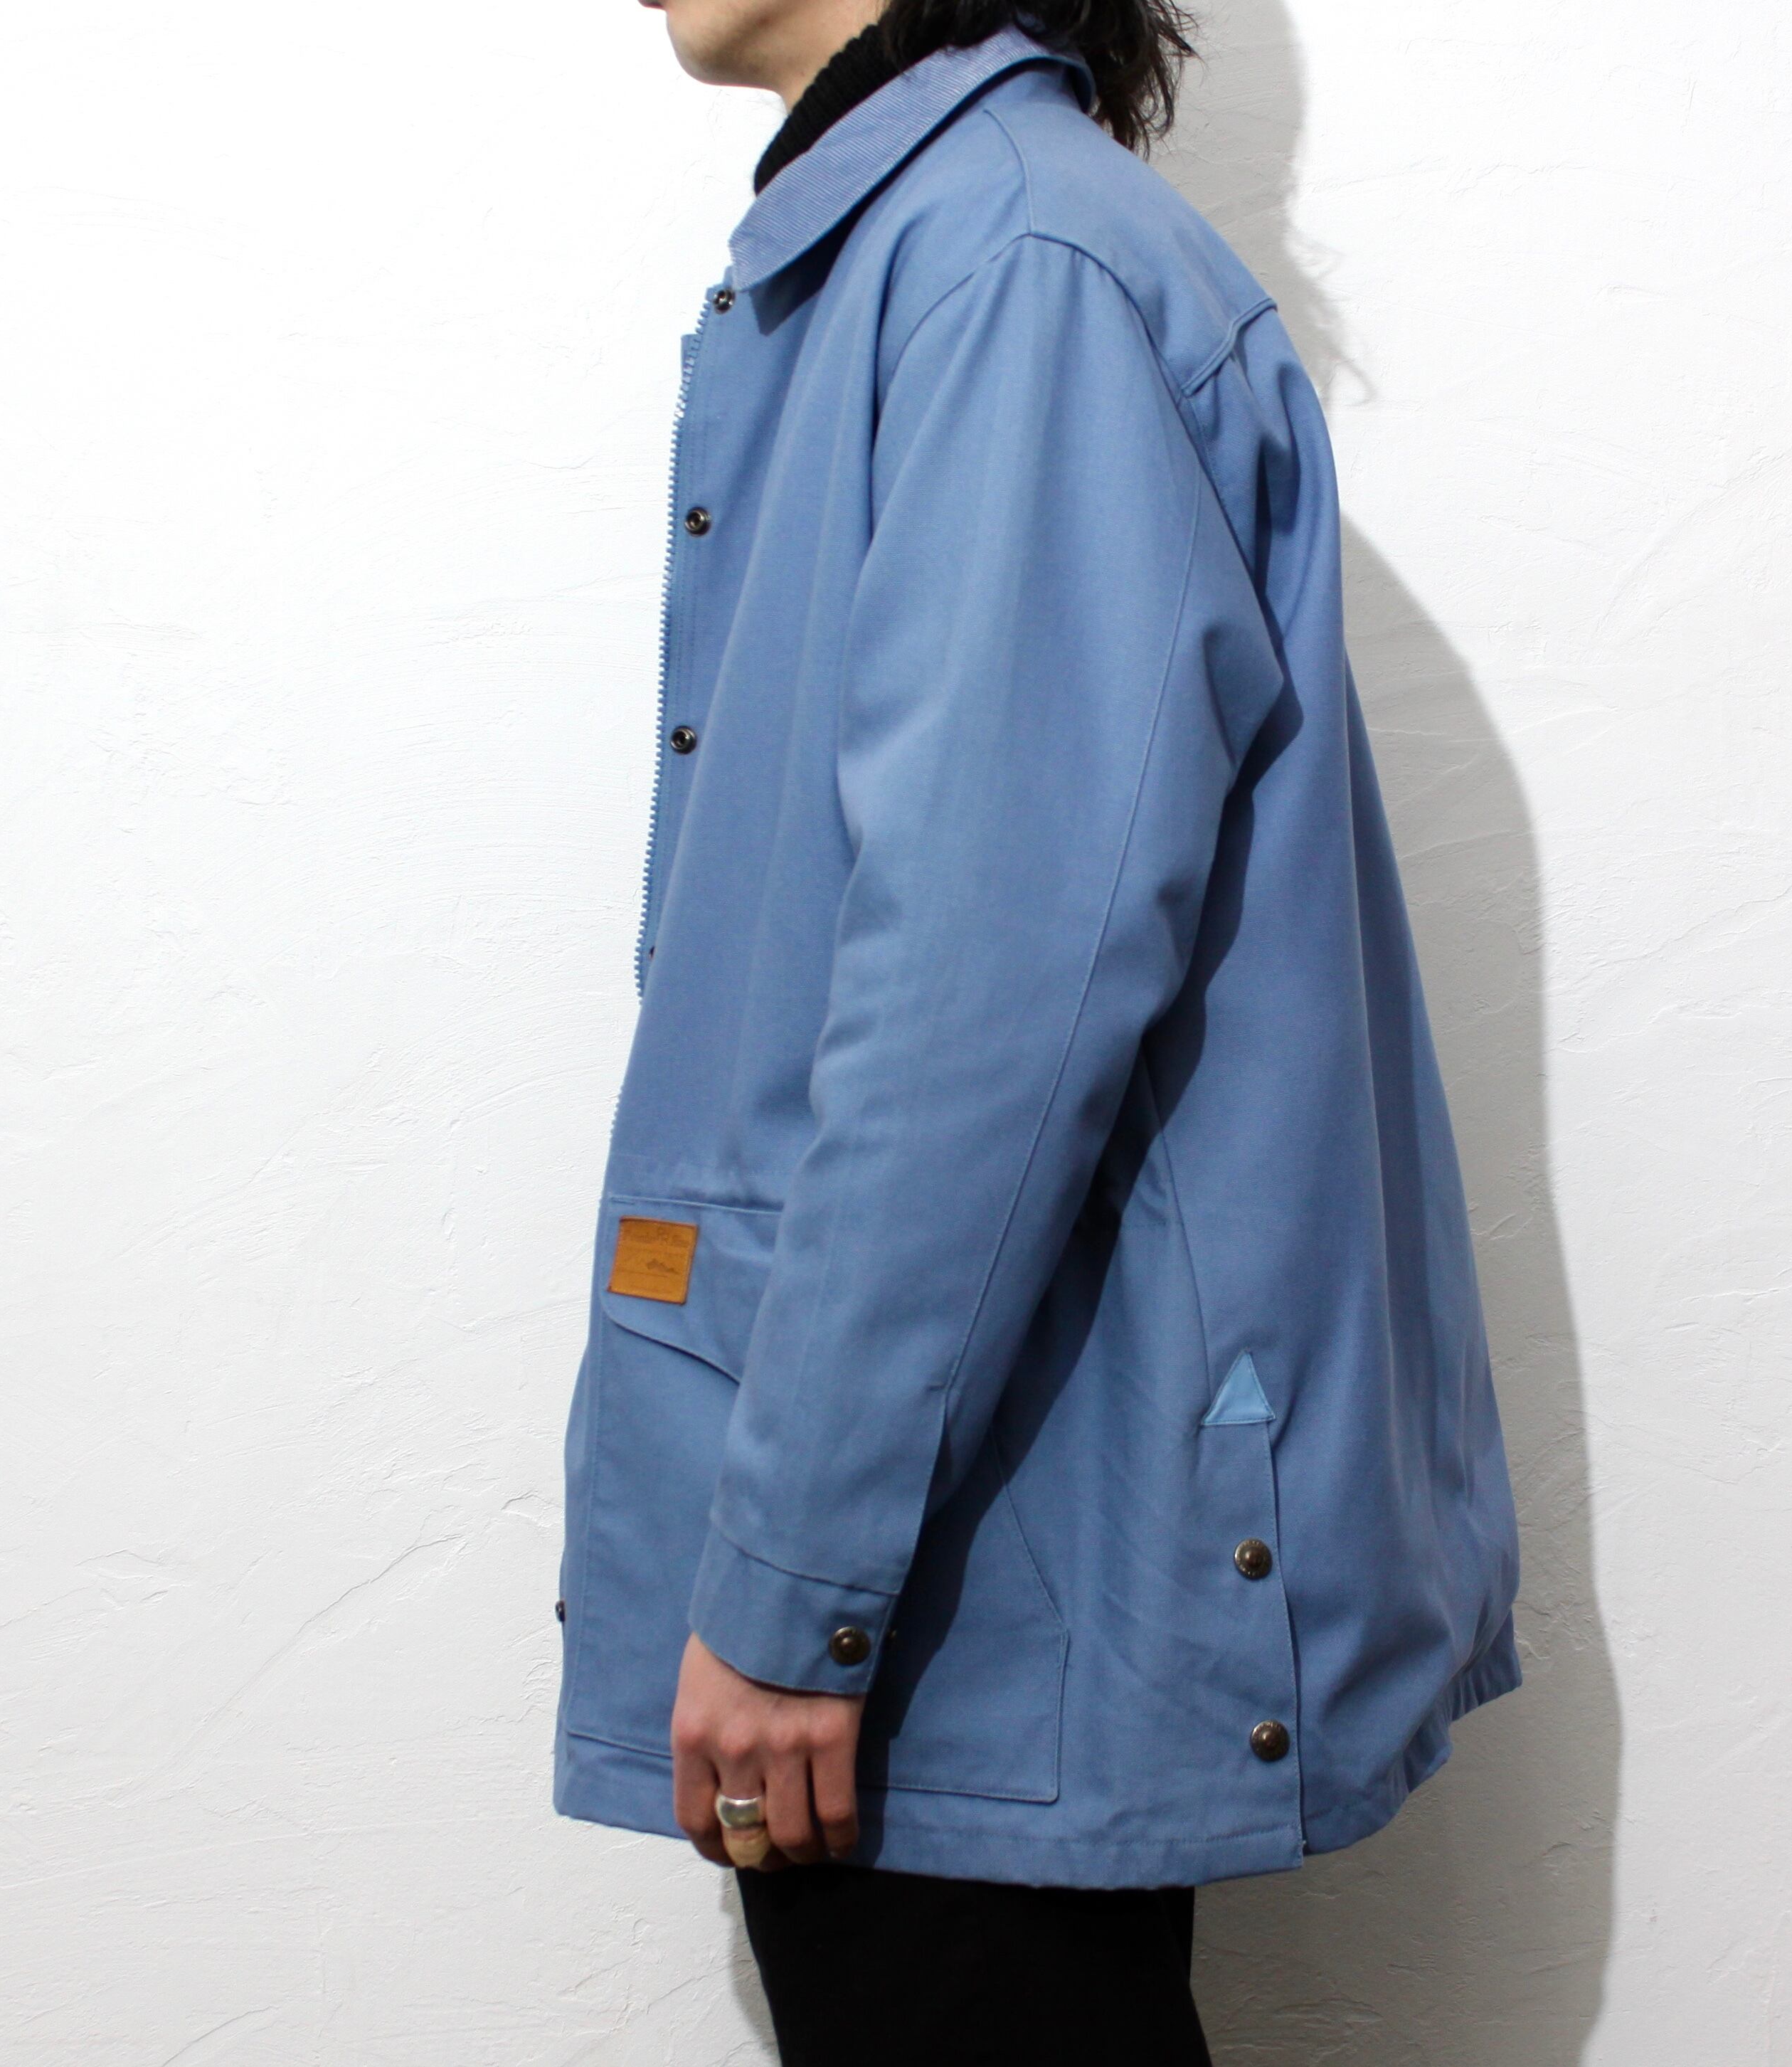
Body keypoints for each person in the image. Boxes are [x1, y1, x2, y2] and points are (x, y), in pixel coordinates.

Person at [551, 1, 1523, 2058]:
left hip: (972, 1564)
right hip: (956, 1538)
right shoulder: (950, 254)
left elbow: (978, 1002)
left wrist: (791, 1581)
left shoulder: (1016, 271)